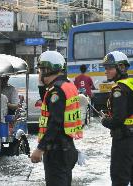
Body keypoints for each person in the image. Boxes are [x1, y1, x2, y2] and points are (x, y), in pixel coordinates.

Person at [30, 51, 83, 186]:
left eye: (41, 70)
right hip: (67, 147)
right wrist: (41, 84)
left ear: (48, 69)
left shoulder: (56, 91)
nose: (40, 74)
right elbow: (47, 102)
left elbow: (55, 123)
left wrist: (40, 149)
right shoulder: (67, 85)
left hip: (57, 151)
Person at [100, 51, 133, 186]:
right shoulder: (130, 83)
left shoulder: (119, 89)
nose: (106, 71)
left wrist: (104, 120)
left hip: (123, 139)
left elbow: (118, 120)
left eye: (110, 68)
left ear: (121, 68)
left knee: (119, 178)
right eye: (106, 68)